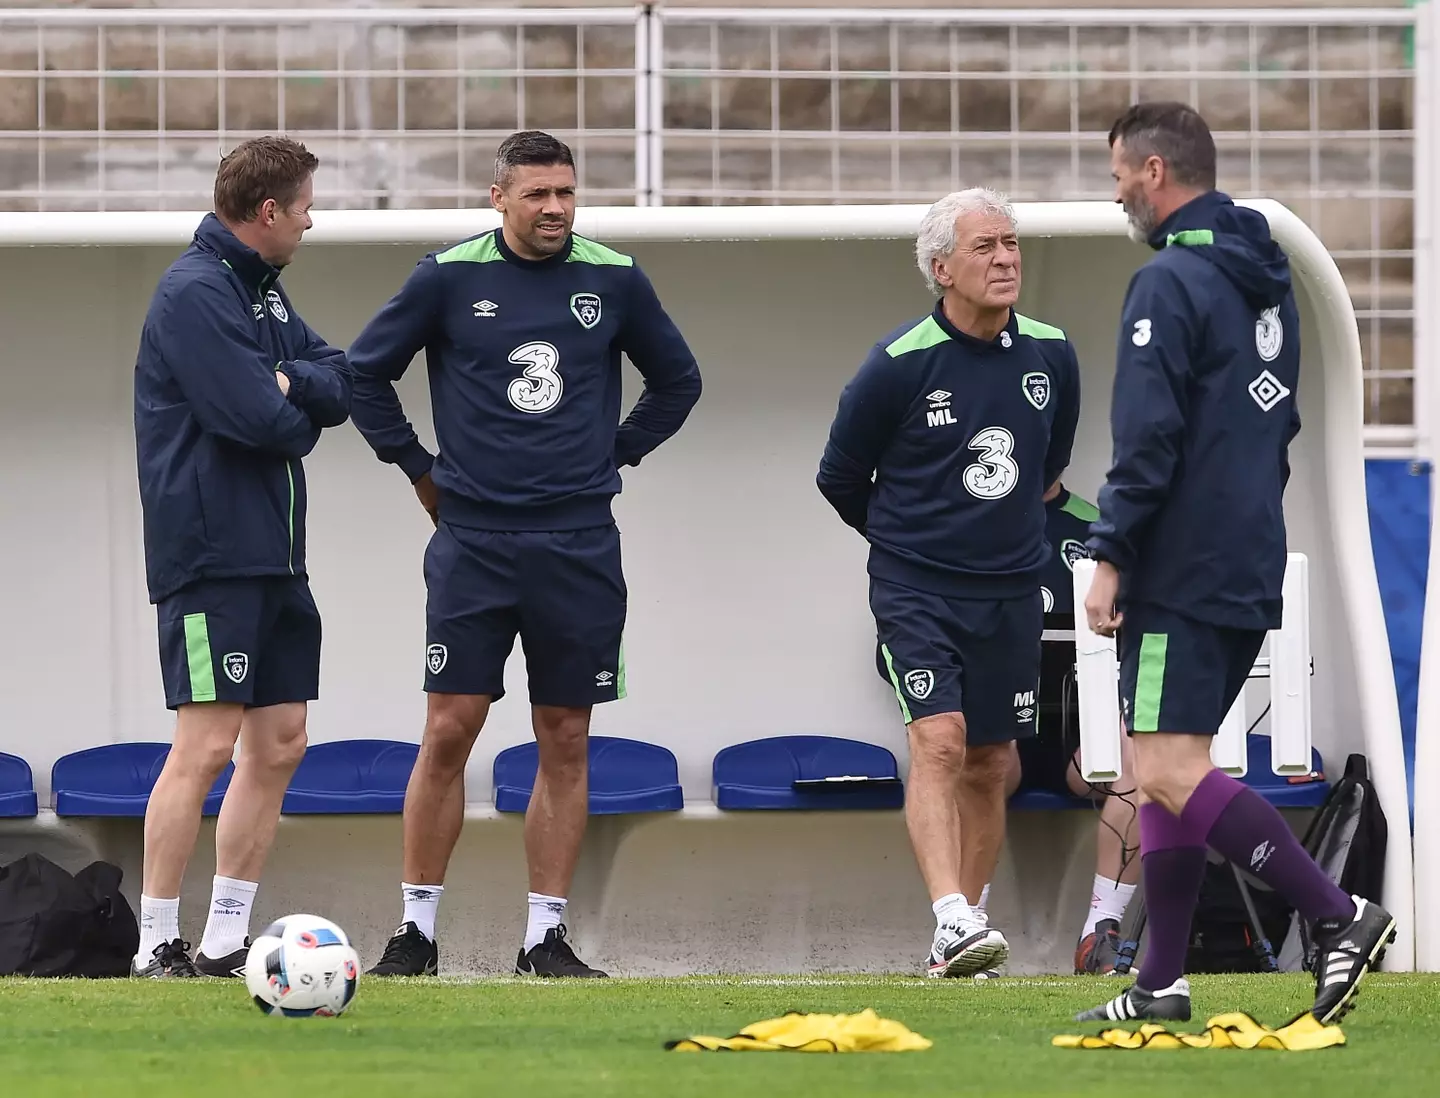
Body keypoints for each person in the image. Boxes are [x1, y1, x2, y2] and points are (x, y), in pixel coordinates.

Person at [347, 130, 702, 979]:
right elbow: (365, 374)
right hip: (472, 542)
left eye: (567, 194)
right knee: (448, 731)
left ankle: (545, 937)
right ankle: (416, 932)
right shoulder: (446, 275)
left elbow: (679, 380)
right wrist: (420, 472)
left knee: (565, 735)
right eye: (538, 194)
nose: (555, 209)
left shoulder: (614, 277)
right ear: (498, 196)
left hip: (580, 544)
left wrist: (612, 455)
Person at [1077, 102, 1395, 1025]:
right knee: (1166, 765)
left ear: (1154, 173)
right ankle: (1161, 982)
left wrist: (1111, 556)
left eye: (1119, 176)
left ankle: (1338, 916)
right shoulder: (1269, 282)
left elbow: (1148, 437)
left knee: (1168, 769)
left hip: (1179, 565)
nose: (1119, 193)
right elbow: (1279, 428)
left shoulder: (1169, 283)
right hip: (1248, 554)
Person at [818, 187, 1080, 978]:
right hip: (915, 589)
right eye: (985, 248)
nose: (1005, 260)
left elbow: (1049, 465)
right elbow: (838, 477)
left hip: (1010, 591)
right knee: (939, 741)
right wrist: (911, 542)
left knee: (991, 760)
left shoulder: (1052, 353)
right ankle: (950, 916)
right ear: (942, 268)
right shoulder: (897, 365)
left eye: (1011, 244)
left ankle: (962, 932)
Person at [131, 136, 353, 978]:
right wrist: (292, 396)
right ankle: (156, 942)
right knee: (207, 745)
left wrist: (293, 383)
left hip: (276, 558)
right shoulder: (195, 291)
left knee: (283, 740)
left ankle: (226, 938)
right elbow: (259, 423)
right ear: (268, 213)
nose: (309, 221)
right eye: (303, 208)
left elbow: (342, 375)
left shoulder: (260, 292)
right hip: (211, 556)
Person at [1009, 481, 1140, 975]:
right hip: (1000, 726)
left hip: (1085, 733)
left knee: (1141, 765)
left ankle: (1100, 931)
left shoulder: (1097, 528)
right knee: (959, 757)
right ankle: (963, 928)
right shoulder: (970, 516)